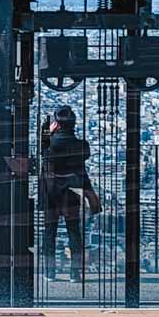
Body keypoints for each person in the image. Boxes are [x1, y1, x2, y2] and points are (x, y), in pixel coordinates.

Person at [40, 106, 101, 280]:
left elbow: (44, 156)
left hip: (51, 192)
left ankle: (50, 272)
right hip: (71, 192)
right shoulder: (82, 145)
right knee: (74, 232)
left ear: (56, 124)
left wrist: (47, 135)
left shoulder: (50, 144)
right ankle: (75, 272)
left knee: (49, 233)